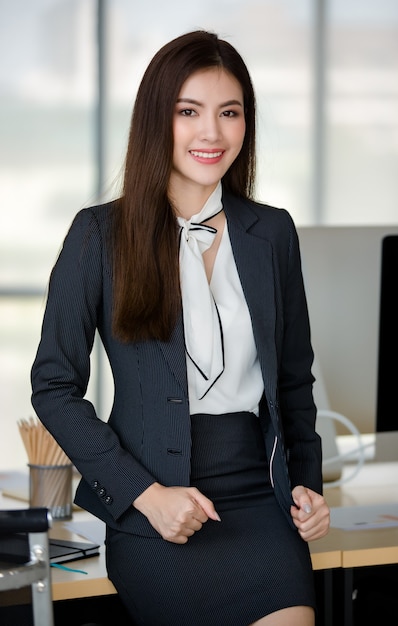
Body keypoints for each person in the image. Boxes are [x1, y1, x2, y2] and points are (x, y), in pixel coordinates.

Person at [31, 30, 330, 626]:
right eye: (188, 111)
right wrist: (147, 496)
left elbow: (295, 382)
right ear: (155, 119)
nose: (212, 133)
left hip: (260, 507)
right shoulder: (99, 235)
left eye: (230, 112)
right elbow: (54, 388)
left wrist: (308, 487)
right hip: (158, 512)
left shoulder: (272, 232)